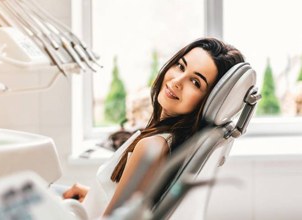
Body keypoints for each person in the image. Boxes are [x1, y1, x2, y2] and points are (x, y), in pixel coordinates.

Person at [62, 37, 245, 218]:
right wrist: (92, 196)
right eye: (180, 66)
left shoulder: (153, 146)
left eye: (195, 82)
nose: (177, 81)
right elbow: (134, 207)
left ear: (208, 102)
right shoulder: (170, 142)